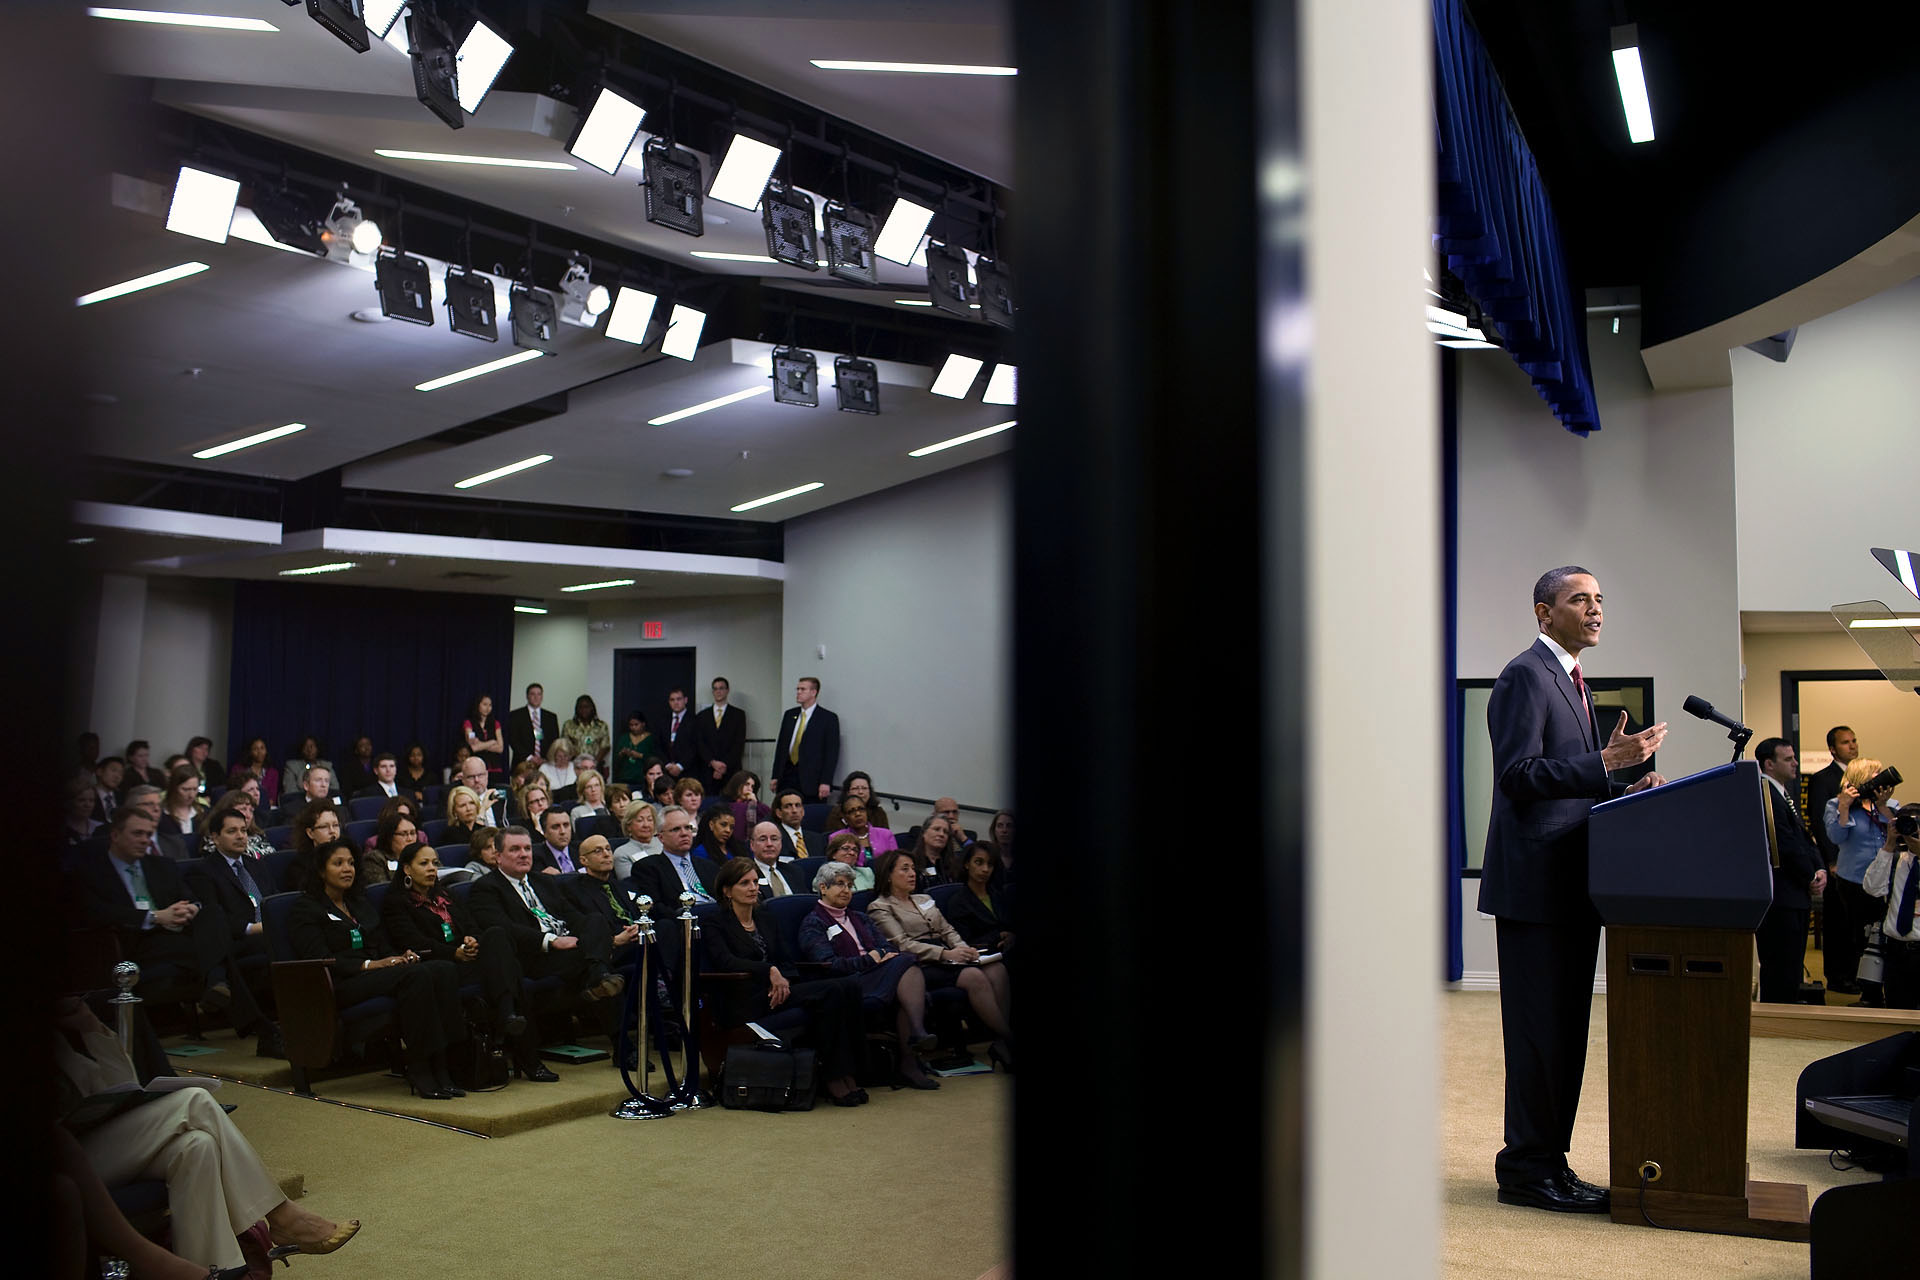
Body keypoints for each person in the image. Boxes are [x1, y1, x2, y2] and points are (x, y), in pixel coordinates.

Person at [1478, 566, 1668, 1214]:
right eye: (1579, 599)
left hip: (1570, 884)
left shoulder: (1573, 683)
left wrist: (1619, 785)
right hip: (1534, 889)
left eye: (1599, 600)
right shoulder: (1525, 675)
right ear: (1543, 612)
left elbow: (1564, 786)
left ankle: (1549, 1162)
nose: (1595, 610)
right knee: (1539, 1036)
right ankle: (1527, 1168)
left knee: (1565, 1035)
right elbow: (1518, 776)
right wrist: (1604, 763)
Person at [54, 998, 357, 1273]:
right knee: (195, 1101)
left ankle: (216, 1270)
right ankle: (281, 1215)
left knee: (197, 1146)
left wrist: (91, 1028)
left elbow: (121, 1086)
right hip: (63, 1160)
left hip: (99, 1145)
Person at [70, 808, 272, 1050]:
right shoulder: (94, 871)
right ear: (115, 835)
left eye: (148, 834)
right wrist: (155, 916)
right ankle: (238, 1004)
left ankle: (223, 989)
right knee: (220, 950)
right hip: (133, 943)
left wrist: (190, 909)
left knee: (211, 913)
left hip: (177, 937)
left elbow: (189, 897)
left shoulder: (160, 865)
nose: (144, 840)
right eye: (137, 834)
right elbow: (95, 911)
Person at [287, 841, 469, 1099]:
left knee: (441, 969)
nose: (347, 869)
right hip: (341, 981)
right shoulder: (306, 909)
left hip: (377, 975)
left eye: (350, 863)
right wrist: (371, 965)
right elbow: (318, 958)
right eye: (338, 863)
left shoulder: (358, 903)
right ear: (320, 871)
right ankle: (420, 1068)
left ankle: (446, 1066)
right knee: (417, 975)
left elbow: (381, 942)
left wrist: (398, 956)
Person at [703, 857, 869, 1105]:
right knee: (830, 993)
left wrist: (783, 980)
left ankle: (851, 1071)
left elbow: (786, 960)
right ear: (727, 891)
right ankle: (834, 1078)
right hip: (743, 998)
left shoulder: (765, 917)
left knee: (847, 986)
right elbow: (726, 962)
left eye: (755, 881)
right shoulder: (715, 923)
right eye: (744, 883)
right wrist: (769, 971)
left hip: (778, 991)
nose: (752, 888)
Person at [379, 841, 546, 1073]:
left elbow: (472, 925)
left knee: (497, 936)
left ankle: (510, 1016)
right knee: (511, 970)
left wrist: (472, 940)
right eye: (424, 863)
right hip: (437, 968)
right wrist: (454, 953)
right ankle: (523, 1047)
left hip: (467, 959)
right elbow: (412, 941)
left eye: (434, 864)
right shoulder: (396, 902)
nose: (431, 869)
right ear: (407, 869)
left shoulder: (446, 895)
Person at [868, 849, 1014, 1070]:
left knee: (996, 969)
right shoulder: (880, 907)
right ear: (888, 875)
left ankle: (1001, 1043)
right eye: (904, 869)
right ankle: (1008, 1037)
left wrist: (965, 949)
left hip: (948, 958)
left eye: (913, 869)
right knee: (974, 976)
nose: (912, 874)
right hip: (917, 964)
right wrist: (945, 954)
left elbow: (947, 930)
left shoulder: (924, 898)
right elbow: (902, 944)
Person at [799, 860, 939, 1088]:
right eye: (840, 884)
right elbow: (827, 964)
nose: (846, 890)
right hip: (849, 982)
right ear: (823, 888)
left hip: (878, 974)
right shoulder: (813, 923)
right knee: (906, 965)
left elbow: (888, 948)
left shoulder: (859, 918)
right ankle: (916, 1038)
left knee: (905, 972)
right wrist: (869, 959)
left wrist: (878, 956)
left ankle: (910, 1059)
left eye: (850, 885)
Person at [467, 826, 625, 1013]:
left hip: (570, 944)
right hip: (536, 954)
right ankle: (598, 978)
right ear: (498, 856)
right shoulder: (485, 887)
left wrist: (584, 937)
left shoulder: (544, 881)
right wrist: (552, 941)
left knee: (595, 920)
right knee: (594, 959)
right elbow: (504, 927)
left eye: (527, 848)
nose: (524, 854)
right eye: (515, 849)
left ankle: (598, 978)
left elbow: (571, 915)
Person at [185, 808, 283, 1055]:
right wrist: (252, 928)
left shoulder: (257, 865)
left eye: (244, 830)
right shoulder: (204, 870)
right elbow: (212, 919)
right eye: (232, 831)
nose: (241, 836)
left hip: (269, 932)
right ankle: (267, 1031)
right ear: (215, 837)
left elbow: (274, 900)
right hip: (238, 938)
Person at [1753, 738, 1827, 1003]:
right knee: (1781, 970)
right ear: (1769, 764)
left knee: (1792, 968)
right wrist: (1809, 876)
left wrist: (1819, 868)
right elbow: (1784, 844)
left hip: (1795, 893)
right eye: (1788, 759)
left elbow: (1804, 838)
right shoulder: (1765, 794)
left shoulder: (1782, 794)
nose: (1796, 763)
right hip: (1782, 897)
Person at [1823, 756, 1901, 1006]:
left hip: (1886, 879)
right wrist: (1844, 807)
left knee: (1888, 936)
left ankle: (1893, 989)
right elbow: (1836, 837)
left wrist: (1884, 806)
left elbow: (1901, 835)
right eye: (1875, 774)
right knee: (1860, 938)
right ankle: (1869, 993)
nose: (1880, 779)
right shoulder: (1835, 804)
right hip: (1854, 881)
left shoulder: (1892, 805)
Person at [628, 807, 719, 972]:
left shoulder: (709, 867)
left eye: (688, 828)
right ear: (661, 837)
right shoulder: (649, 867)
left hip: (716, 922)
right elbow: (656, 908)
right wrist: (689, 917)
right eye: (676, 829)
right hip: (682, 925)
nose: (684, 833)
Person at [1862, 806, 1920, 1009]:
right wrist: (1888, 844)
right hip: (1896, 950)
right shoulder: (1895, 860)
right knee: (1897, 1009)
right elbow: (1872, 888)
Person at [562, 834, 644, 968]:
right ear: (584, 860)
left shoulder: (622, 885)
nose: (606, 854)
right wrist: (614, 940)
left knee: (666, 926)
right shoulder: (574, 890)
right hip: (612, 949)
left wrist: (638, 927)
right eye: (598, 851)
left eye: (608, 849)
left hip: (637, 938)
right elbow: (583, 928)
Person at [773, 676, 840, 801]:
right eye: (797, 689)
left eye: (803, 689)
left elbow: (831, 753)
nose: (798, 692)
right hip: (787, 774)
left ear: (814, 692)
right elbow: (781, 746)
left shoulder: (827, 718)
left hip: (811, 779)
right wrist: (775, 775)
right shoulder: (789, 715)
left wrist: (826, 781)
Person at [1805, 725, 1858, 869]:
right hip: (1838, 854)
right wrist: (1832, 859)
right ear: (1832, 749)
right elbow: (1819, 821)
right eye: (1845, 743)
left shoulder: (1862, 776)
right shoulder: (1821, 779)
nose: (1852, 746)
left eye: (1854, 741)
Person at [946, 842, 1014, 955]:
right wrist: (998, 937)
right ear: (967, 864)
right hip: (984, 956)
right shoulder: (958, 902)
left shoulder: (999, 895)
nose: (985, 869)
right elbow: (965, 942)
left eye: (990, 864)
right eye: (979, 862)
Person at [691, 676, 747, 789]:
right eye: (715, 689)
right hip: (707, 770)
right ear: (712, 691)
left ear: (727, 690)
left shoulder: (738, 715)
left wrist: (723, 766)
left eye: (721, 688)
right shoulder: (702, 716)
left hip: (730, 769)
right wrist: (712, 763)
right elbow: (700, 743)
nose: (718, 691)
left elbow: (738, 743)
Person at [196, 790, 274, 860]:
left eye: (251, 810)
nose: (248, 815)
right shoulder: (213, 840)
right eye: (243, 809)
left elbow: (272, 855)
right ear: (226, 811)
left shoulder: (257, 835)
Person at [828, 796, 896, 863]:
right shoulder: (836, 838)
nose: (858, 814)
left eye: (861, 809)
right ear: (845, 817)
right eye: (851, 811)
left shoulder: (886, 834)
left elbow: (896, 861)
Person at [508, 682, 560, 766]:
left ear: (542, 696)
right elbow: (513, 739)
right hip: (523, 762)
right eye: (532, 694)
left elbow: (555, 740)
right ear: (527, 696)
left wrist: (546, 758)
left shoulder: (551, 717)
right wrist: (530, 757)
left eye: (539, 694)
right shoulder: (515, 715)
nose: (536, 697)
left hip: (545, 763)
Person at [272, 763, 338, 827]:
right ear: (306, 785)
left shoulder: (338, 809)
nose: (324, 785)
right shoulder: (291, 811)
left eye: (327, 781)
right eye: (318, 780)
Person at [744, 821, 798, 896]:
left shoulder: (794, 872)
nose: (769, 844)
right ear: (752, 845)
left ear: (781, 843)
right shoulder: (746, 874)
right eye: (762, 839)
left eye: (774, 839)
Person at [613, 803, 662, 882]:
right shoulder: (622, 853)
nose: (646, 825)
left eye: (649, 819)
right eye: (640, 820)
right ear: (628, 826)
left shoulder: (665, 843)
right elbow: (631, 884)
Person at [455, 753, 508, 827]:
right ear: (463, 779)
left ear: (487, 775)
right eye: (471, 777)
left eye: (480, 775)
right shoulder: (457, 799)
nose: (477, 780)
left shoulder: (502, 793)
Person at [560, 695, 611, 771]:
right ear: (577, 709)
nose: (584, 710)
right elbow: (565, 745)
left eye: (586, 707)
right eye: (580, 707)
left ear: (592, 708)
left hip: (595, 766)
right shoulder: (568, 725)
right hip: (574, 766)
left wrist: (593, 764)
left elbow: (605, 746)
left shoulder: (601, 726)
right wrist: (580, 762)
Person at [905, 815, 956, 887]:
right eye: (936, 829)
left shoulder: (954, 865)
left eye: (946, 832)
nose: (941, 834)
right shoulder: (912, 862)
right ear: (924, 833)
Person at [611, 712, 659, 789]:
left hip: (642, 779)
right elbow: (616, 759)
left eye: (636, 725)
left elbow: (655, 758)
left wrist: (639, 755)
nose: (633, 727)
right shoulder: (624, 738)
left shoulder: (650, 738)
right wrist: (622, 753)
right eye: (631, 725)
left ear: (643, 724)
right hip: (625, 777)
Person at [462, 694, 506, 778]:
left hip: (494, 767)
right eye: (485, 704)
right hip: (476, 767)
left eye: (490, 705)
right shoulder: (469, 723)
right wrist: (492, 742)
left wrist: (480, 744)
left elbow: (500, 748)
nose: (488, 708)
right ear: (478, 705)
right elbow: (474, 747)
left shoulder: (496, 723)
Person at [773, 787, 822, 860]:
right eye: (788, 806)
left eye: (797, 805)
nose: (794, 810)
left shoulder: (818, 839)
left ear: (803, 811)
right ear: (779, 813)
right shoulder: (773, 839)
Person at [160, 764, 205, 840]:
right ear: (174, 788)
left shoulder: (204, 812)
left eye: (195, 789)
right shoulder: (161, 814)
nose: (191, 795)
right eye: (186, 789)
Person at [232, 737, 279, 809]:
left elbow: (272, 799)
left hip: (264, 809)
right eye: (255, 749)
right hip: (242, 806)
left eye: (262, 748)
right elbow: (234, 793)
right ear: (250, 752)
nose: (259, 752)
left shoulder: (273, 773)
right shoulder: (238, 769)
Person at [280, 737, 330, 804]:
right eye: (306, 746)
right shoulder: (292, 766)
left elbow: (335, 789)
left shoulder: (327, 765)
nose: (309, 750)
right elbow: (290, 792)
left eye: (312, 746)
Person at [725, 770, 774, 835]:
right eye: (746, 784)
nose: (750, 789)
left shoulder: (760, 806)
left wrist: (754, 803)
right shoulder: (725, 804)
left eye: (752, 786)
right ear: (737, 784)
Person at [661, 686, 694, 779]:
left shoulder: (695, 721)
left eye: (679, 699)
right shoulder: (662, 721)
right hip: (667, 771)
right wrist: (667, 764)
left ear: (685, 700)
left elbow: (695, 747)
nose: (676, 702)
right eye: (672, 700)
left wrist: (680, 766)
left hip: (687, 771)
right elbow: (657, 745)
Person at [533, 807, 578, 875]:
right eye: (555, 827)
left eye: (566, 825)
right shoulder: (535, 858)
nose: (563, 831)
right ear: (544, 832)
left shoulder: (581, 850)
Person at [65, 778, 101, 845]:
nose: (87, 805)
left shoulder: (100, 828)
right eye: (81, 800)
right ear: (70, 802)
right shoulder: (62, 829)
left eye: (91, 800)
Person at [396, 743, 432, 807]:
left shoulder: (431, 775)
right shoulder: (401, 775)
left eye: (419, 755)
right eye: (412, 755)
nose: (416, 758)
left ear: (423, 756)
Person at [91, 756, 125, 822]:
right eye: (113, 770)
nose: (117, 776)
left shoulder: (123, 797)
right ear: (99, 771)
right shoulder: (89, 794)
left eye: (121, 773)